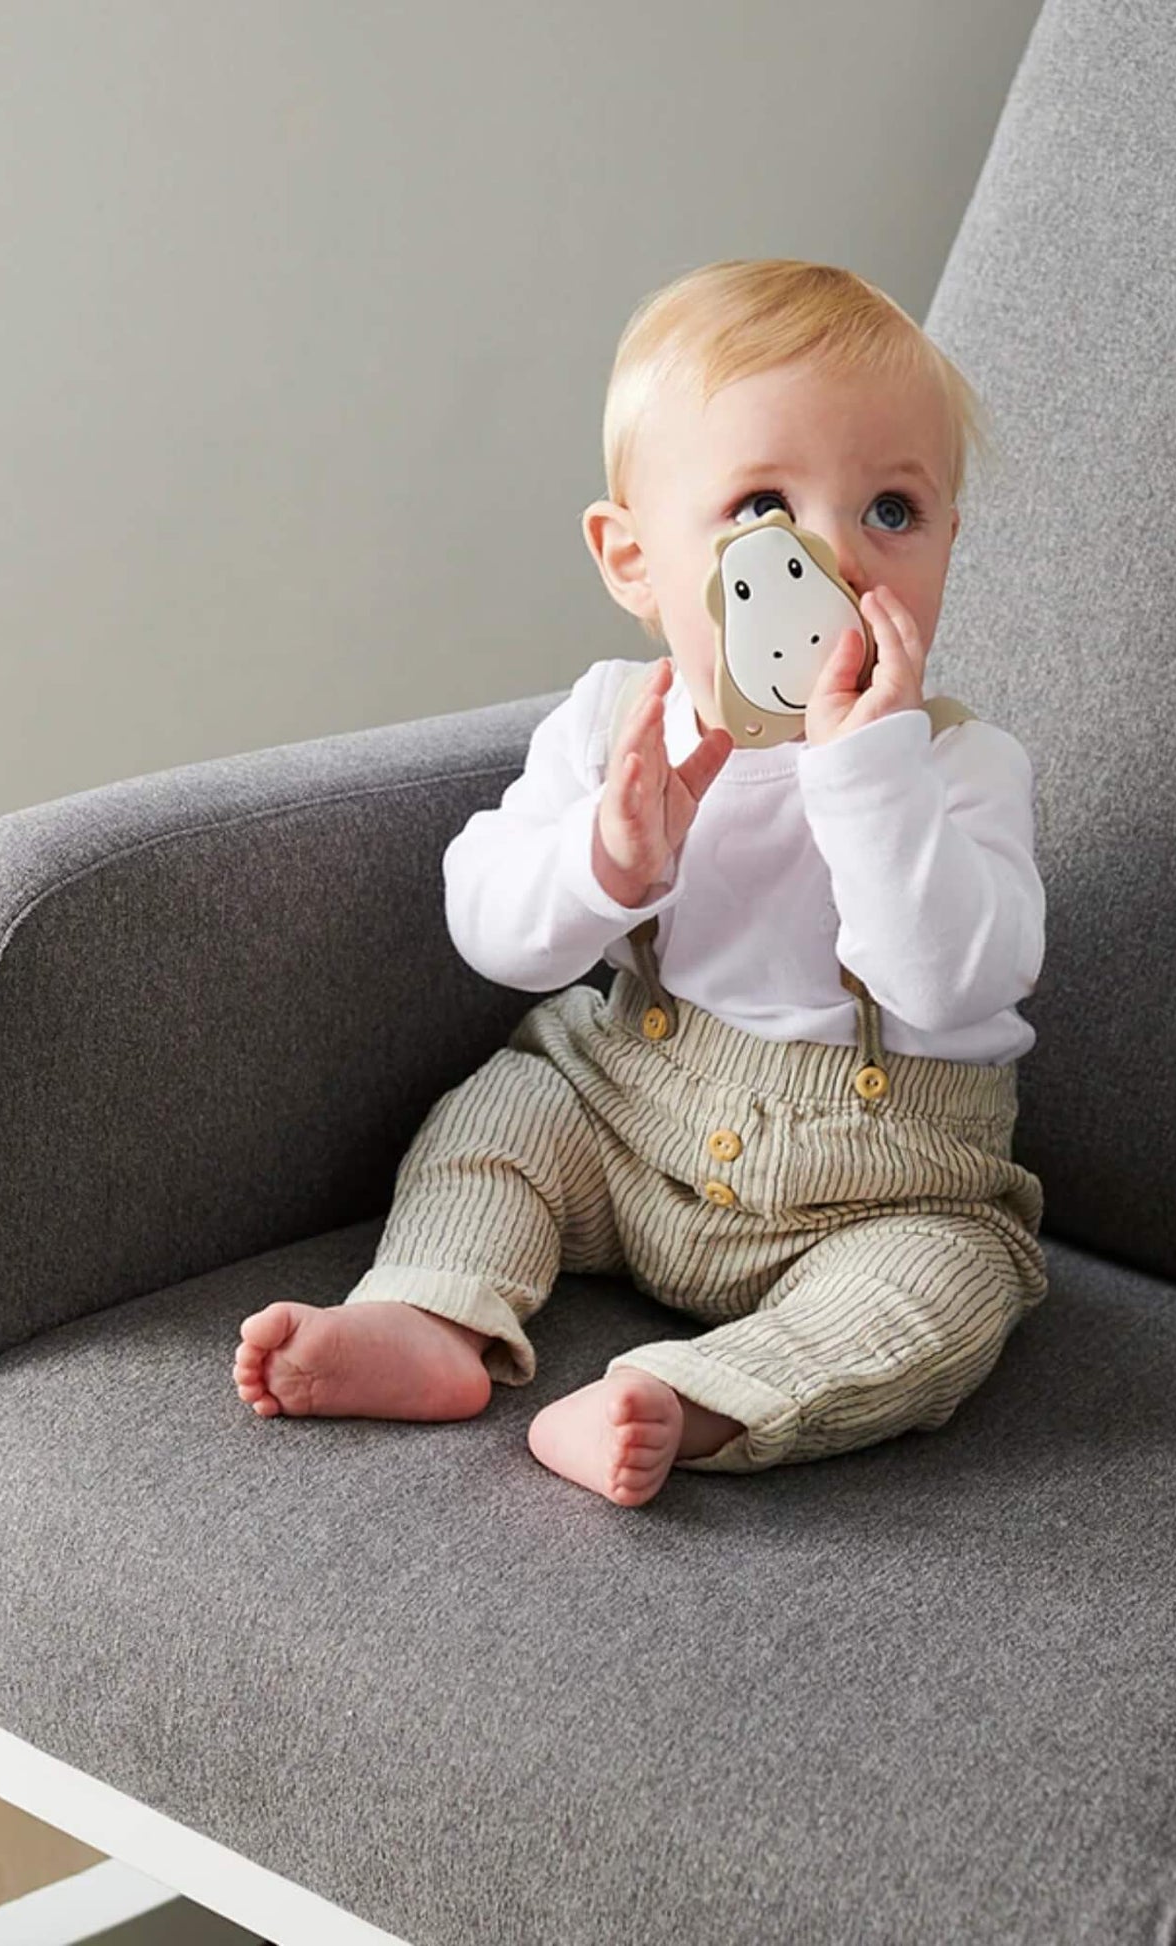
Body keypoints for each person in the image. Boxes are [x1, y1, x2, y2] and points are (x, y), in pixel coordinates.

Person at [234, 258, 1048, 1507]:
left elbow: (949, 979)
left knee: (950, 1291)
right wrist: (603, 864)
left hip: (879, 1184)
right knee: (499, 1120)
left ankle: (690, 1397)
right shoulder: (615, 721)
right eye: (763, 509)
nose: (832, 559)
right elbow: (489, 924)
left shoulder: (960, 766)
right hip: (622, 1107)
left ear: (947, 541)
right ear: (632, 560)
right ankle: (428, 1317)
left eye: (892, 510)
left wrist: (866, 776)